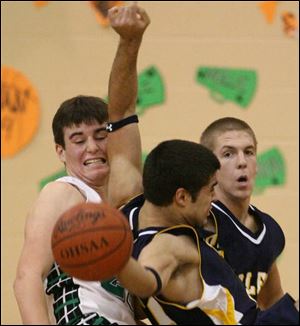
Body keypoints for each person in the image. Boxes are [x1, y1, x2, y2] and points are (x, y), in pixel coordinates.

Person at [105, 4, 299, 324]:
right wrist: (113, 260)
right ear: (182, 197)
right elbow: (146, 278)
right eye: (210, 190)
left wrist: (130, 41)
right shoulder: (169, 245)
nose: (214, 201)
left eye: (248, 153)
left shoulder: (127, 195)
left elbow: (121, 111)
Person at [13, 3, 150, 325]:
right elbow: (27, 278)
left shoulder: (124, 198)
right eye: (78, 140)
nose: (92, 147)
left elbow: (124, 108)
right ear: (61, 152)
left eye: (101, 135)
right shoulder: (63, 193)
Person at [199, 117, 288, 309]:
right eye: (228, 154)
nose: (242, 162)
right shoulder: (199, 222)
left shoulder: (268, 231)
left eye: (249, 152)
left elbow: (272, 301)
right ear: (209, 166)